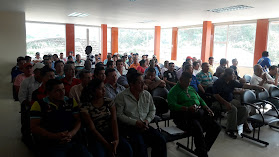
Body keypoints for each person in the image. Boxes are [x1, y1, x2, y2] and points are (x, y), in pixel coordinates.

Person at [30, 79, 91, 157]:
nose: (62, 93)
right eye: (58, 91)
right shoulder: (39, 105)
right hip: (51, 143)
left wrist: (71, 134)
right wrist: (55, 136)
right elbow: (34, 127)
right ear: (49, 92)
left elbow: (78, 120)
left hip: (72, 140)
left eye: (63, 89)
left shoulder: (71, 102)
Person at [168, 72, 221, 157]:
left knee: (216, 126)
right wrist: (187, 108)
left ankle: (202, 149)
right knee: (197, 128)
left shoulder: (191, 89)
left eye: (189, 82)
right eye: (186, 82)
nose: (188, 84)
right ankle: (203, 153)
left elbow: (200, 99)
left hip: (197, 114)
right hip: (183, 117)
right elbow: (172, 105)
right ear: (180, 80)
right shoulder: (173, 91)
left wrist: (207, 108)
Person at [115, 72, 167, 157]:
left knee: (161, 141)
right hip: (130, 127)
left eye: (143, 81)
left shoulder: (146, 94)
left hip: (145, 125)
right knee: (140, 147)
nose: (143, 84)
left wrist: (147, 121)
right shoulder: (122, 96)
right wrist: (135, 122)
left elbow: (152, 110)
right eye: (140, 82)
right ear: (132, 84)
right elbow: (119, 115)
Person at [80, 79, 132, 157]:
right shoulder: (85, 106)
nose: (104, 90)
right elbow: (92, 128)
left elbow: (114, 120)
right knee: (101, 154)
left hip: (111, 133)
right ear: (93, 91)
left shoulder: (109, 102)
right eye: (101, 89)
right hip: (96, 137)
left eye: (104, 88)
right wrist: (107, 145)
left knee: (127, 149)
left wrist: (116, 140)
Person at [213, 68, 265, 139]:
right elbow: (216, 95)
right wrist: (226, 103)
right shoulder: (219, 82)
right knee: (233, 109)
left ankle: (234, 124)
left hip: (230, 100)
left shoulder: (231, 82)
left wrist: (257, 87)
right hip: (219, 101)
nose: (234, 76)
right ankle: (230, 130)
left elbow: (244, 85)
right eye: (233, 74)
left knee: (244, 109)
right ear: (228, 75)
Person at [18, 63, 44, 146]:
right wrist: (32, 106)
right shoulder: (26, 81)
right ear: (35, 72)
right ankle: (26, 137)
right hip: (29, 106)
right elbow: (22, 97)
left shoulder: (45, 82)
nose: (41, 74)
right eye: (39, 72)